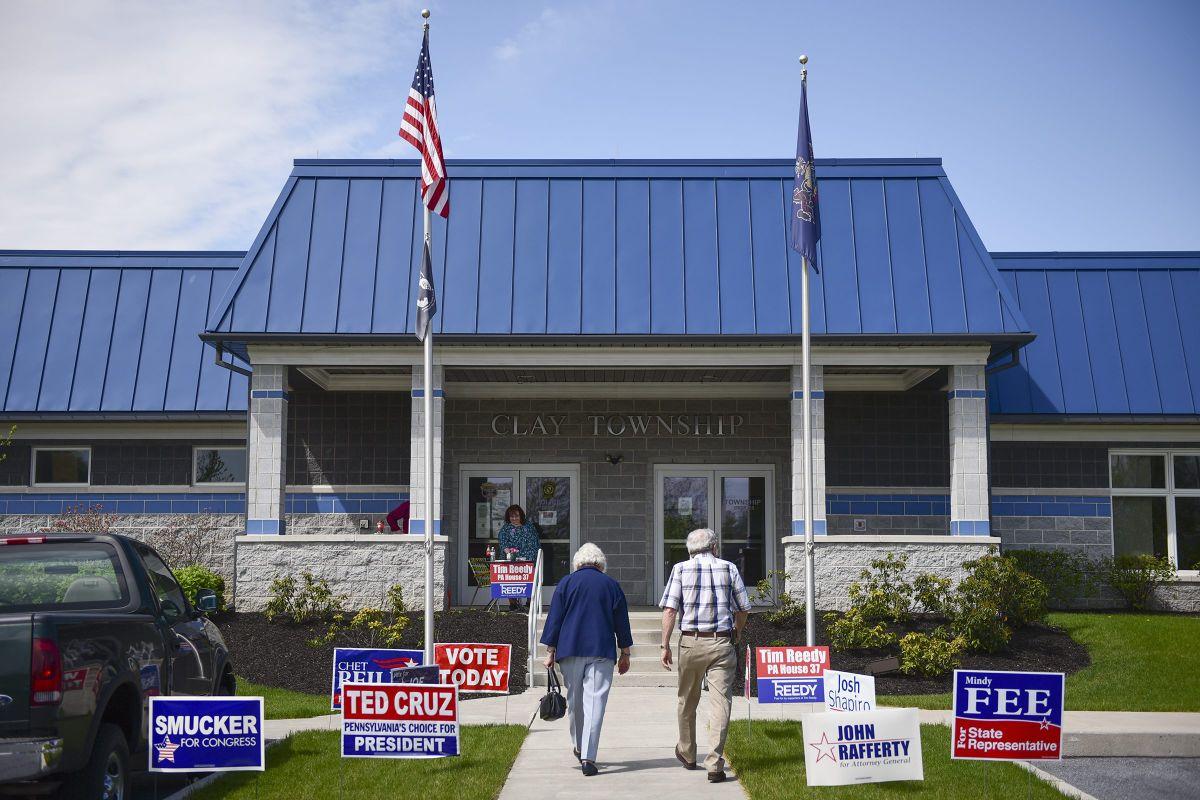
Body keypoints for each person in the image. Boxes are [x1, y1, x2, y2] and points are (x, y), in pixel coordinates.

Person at [659, 528, 751, 783]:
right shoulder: (729, 568)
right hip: (722, 642)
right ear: (714, 547)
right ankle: (714, 764)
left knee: (686, 700)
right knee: (721, 703)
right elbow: (743, 608)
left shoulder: (680, 569)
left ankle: (688, 754)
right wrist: (737, 631)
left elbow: (669, 611)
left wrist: (664, 645)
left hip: (691, 642)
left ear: (690, 549)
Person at [540, 543, 633, 777]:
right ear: (601, 564)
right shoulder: (611, 585)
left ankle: (580, 746)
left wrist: (550, 651)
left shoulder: (566, 583)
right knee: (596, 702)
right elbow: (622, 622)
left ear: (577, 563)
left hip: (569, 650)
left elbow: (555, 619)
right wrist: (625, 652)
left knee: (575, 701)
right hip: (601, 650)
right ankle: (588, 757)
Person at [497, 504, 540, 610]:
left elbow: (535, 541)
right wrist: (509, 553)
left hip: (528, 558)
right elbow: (503, 542)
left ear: (521, 516)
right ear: (508, 517)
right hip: (511, 558)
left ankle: (530, 602)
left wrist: (531, 556)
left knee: (529, 579)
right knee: (511, 580)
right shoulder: (506, 528)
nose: (514, 518)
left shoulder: (528, 526)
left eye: (516, 516)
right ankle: (513, 603)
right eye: (512, 516)